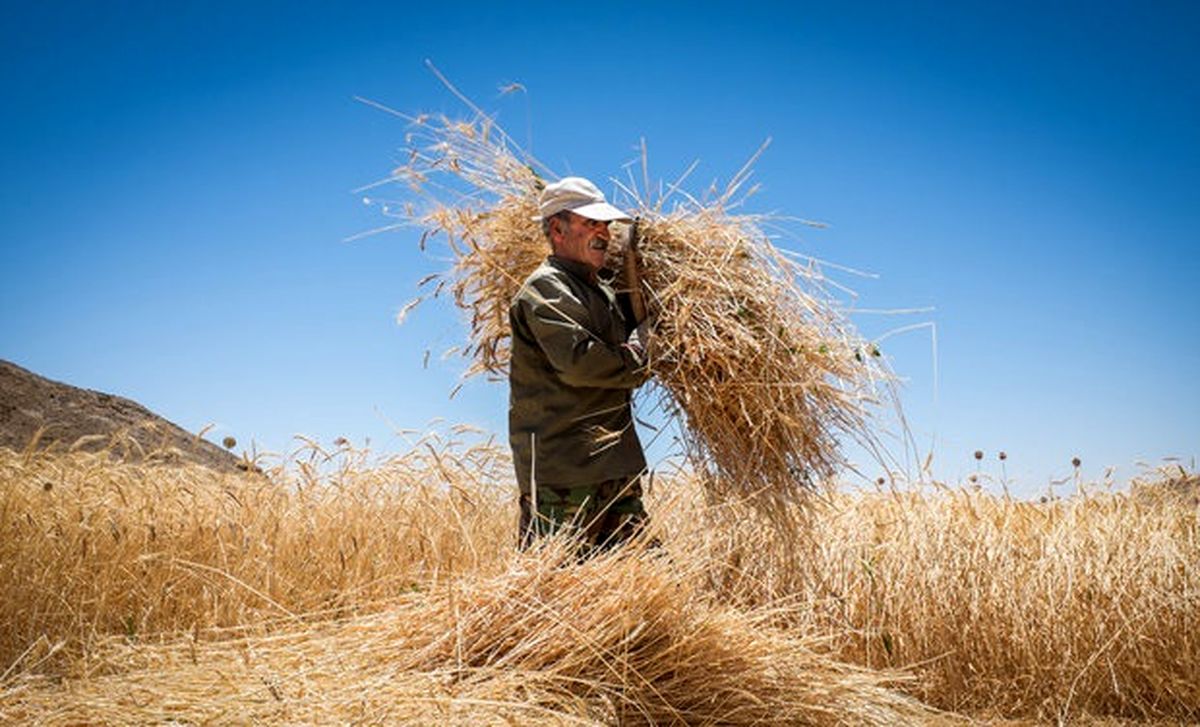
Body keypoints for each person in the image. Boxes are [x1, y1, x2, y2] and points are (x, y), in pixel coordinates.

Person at [509, 176, 652, 553]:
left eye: (605, 224)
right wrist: (643, 352)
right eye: (591, 223)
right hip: (566, 479)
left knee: (644, 585)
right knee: (551, 594)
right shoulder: (546, 289)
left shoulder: (599, 289)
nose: (603, 232)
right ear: (557, 229)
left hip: (614, 470)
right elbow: (581, 363)